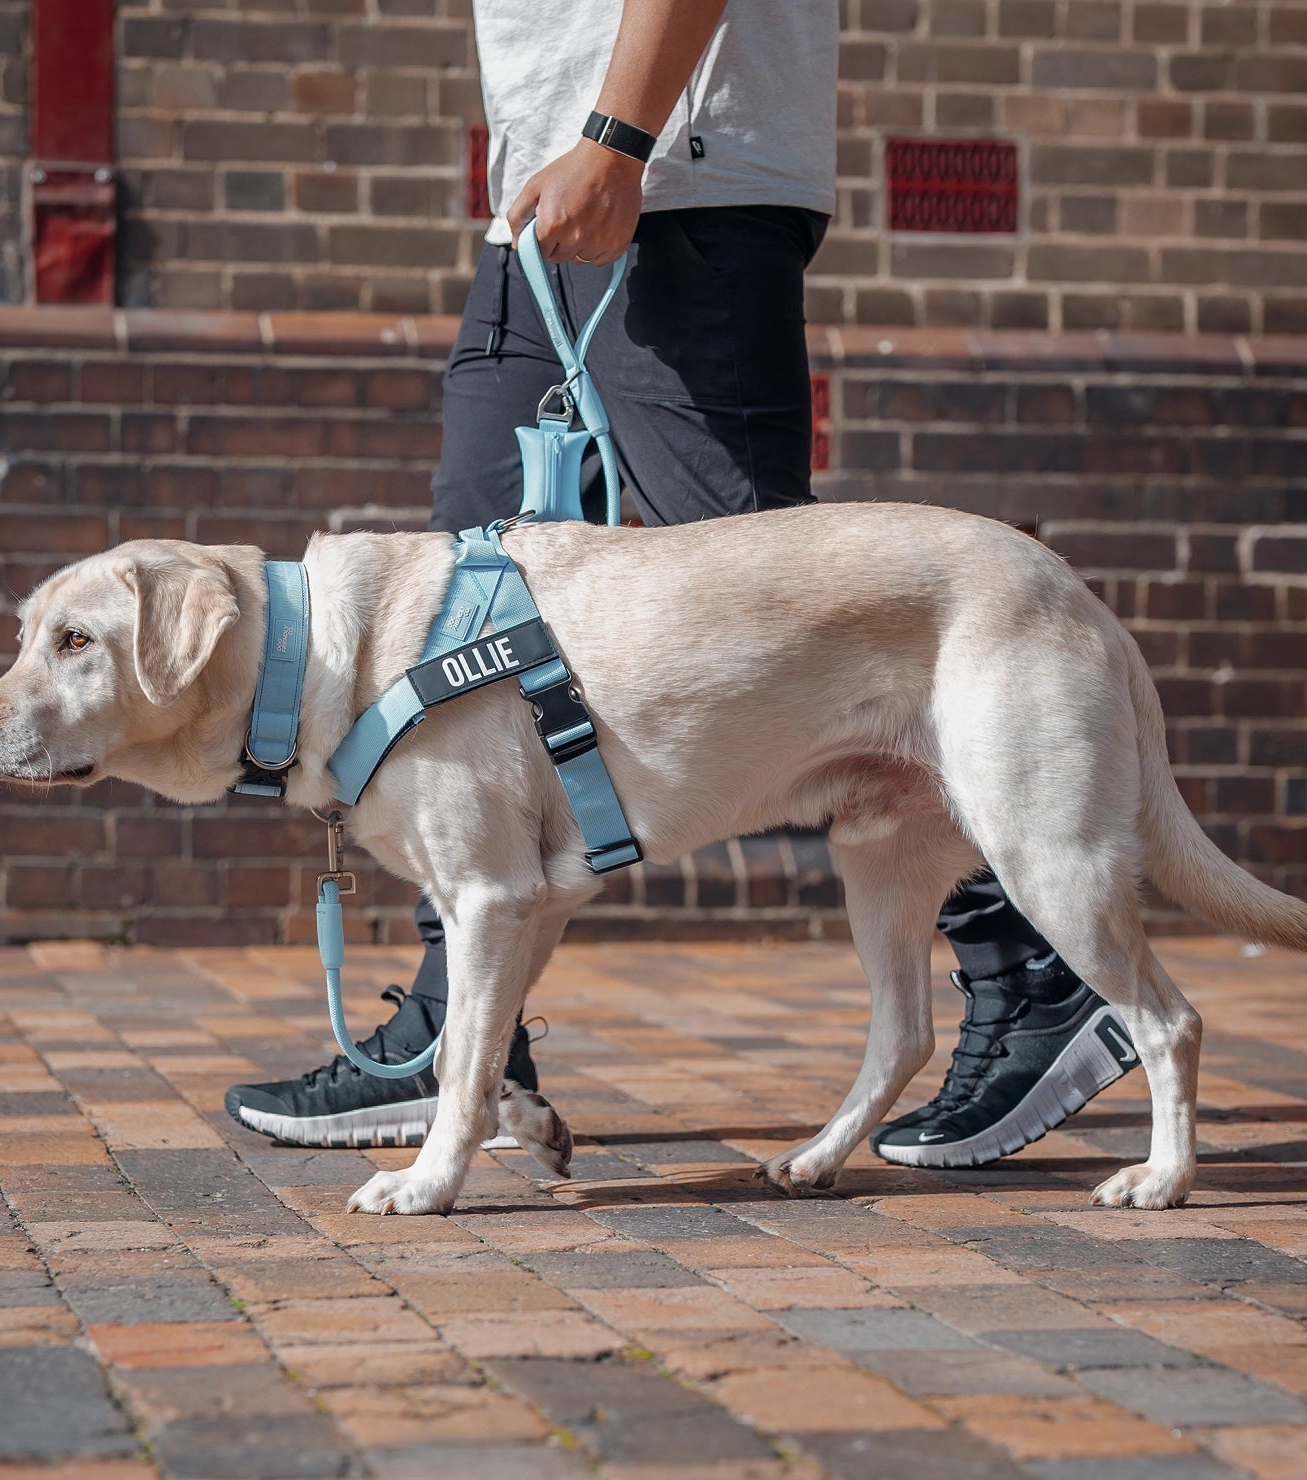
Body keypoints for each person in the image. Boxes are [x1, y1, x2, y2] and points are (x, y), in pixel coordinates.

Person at [226, 0, 1137, 1167]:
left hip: (675, 181)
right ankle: (462, 1042)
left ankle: (1032, 972)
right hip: (542, 201)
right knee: (459, 635)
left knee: (774, 612)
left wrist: (618, 137)